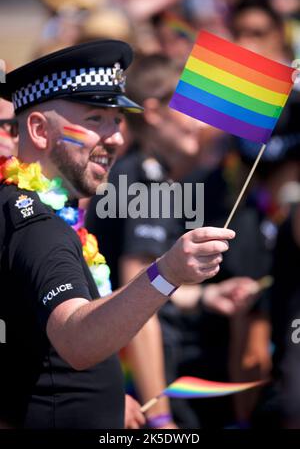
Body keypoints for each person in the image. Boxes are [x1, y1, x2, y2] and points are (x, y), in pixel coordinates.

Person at [0, 39, 236, 429]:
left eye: (116, 120)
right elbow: (76, 341)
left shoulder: (41, 211)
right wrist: (168, 272)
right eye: (95, 120)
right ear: (39, 130)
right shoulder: (37, 226)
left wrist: (109, 399)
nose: (116, 138)